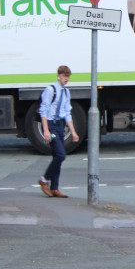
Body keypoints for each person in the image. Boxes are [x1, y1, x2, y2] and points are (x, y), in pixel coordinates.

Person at [37, 65, 79, 198]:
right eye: (64, 76)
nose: (66, 79)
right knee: (61, 155)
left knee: (57, 157)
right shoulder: (50, 90)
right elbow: (43, 110)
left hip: (60, 125)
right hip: (51, 124)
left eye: (68, 76)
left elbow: (67, 113)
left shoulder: (66, 92)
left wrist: (73, 132)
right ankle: (44, 180)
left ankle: (55, 188)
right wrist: (46, 130)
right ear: (58, 76)